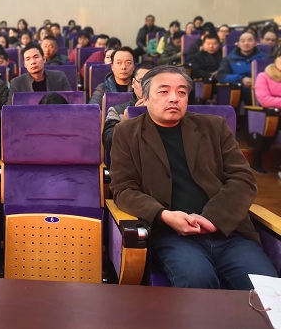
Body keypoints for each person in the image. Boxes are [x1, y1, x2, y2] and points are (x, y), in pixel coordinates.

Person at [109, 65, 278, 290]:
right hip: (172, 236)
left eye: (181, 92)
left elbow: (243, 178)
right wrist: (164, 215)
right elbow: (124, 189)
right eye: (164, 91)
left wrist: (213, 219)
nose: (174, 98)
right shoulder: (127, 133)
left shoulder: (214, 127)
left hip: (228, 233)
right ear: (145, 97)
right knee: (197, 280)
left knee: (267, 291)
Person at [102, 61, 156, 154]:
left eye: (151, 83)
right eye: (142, 81)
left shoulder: (169, 110)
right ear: (133, 83)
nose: (147, 87)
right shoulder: (117, 111)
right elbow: (108, 143)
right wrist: (129, 121)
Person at [216, 30, 265, 104]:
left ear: (255, 43)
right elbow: (221, 76)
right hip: (239, 90)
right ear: (238, 44)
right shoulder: (229, 59)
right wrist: (241, 79)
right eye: (243, 41)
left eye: (250, 40)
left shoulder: (264, 58)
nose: (246, 43)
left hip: (260, 90)